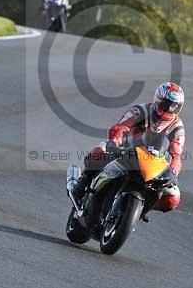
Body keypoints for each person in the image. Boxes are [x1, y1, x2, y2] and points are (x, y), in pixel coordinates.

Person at [71, 82, 186, 215]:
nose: (169, 110)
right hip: (126, 151)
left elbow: (176, 153)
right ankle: (81, 186)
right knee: (98, 153)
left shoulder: (177, 127)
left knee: (173, 197)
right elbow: (121, 126)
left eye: (174, 107)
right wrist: (115, 141)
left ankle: (140, 209)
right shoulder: (141, 110)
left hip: (152, 164)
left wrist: (173, 172)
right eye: (166, 104)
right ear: (157, 100)